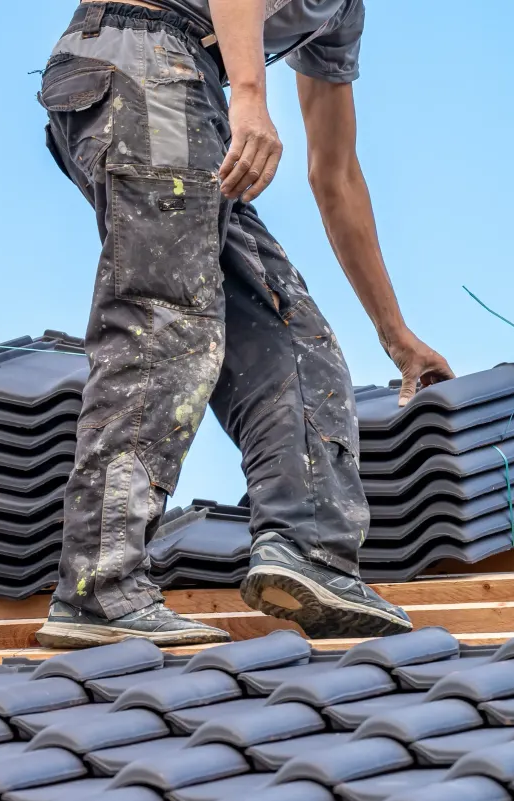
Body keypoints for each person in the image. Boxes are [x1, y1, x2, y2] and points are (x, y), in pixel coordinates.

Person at [31, 0, 454, 650]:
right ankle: (101, 586)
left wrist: (395, 334)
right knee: (166, 323)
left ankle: (309, 550)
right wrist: (250, 96)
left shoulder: (338, 15)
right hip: (148, 62)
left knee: (289, 333)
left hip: (169, 83)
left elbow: (335, 174)